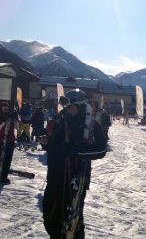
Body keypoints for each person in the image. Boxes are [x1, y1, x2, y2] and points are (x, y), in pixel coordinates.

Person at [42, 89, 108, 238]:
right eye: (66, 107)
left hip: (75, 180)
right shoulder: (63, 120)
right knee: (49, 214)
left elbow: (101, 149)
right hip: (55, 176)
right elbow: (56, 144)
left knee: (72, 220)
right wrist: (47, 143)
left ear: (80, 106)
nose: (67, 110)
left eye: (70, 107)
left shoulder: (91, 125)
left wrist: (77, 152)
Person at [0, 103, 19, 183]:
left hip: (10, 141)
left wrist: (16, 118)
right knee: (1, 158)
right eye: (3, 108)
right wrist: (4, 121)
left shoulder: (11, 117)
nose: (5, 109)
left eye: (6, 108)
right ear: (1, 109)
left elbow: (18, 128)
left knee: (8, 159)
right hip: (2, 141)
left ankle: (4, 176)